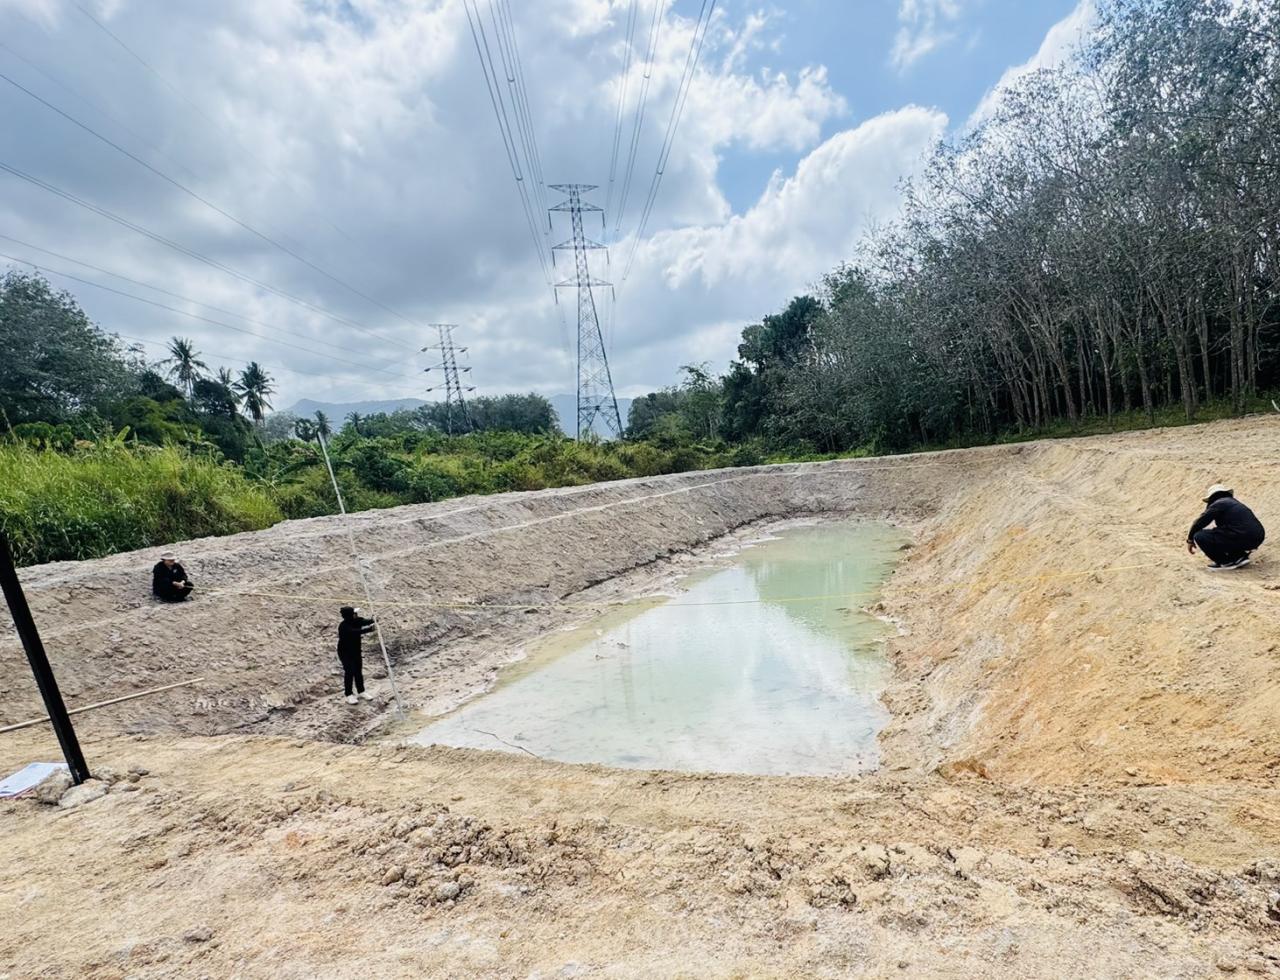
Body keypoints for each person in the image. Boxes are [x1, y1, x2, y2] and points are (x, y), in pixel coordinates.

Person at [1187, 484, 1265, 570]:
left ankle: (1226, 562)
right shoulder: (1234, 503)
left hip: (1241, 536)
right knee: (1223, 533)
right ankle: (1239, 557)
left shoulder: (1219, 503)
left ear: (1211, 498)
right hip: (1258, 537)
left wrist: (1190, 539)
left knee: (1200, 535)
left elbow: (1199, 522)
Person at [337, 606, 376, 704]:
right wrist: (369, 629)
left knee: (358, 671)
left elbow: (365, 622)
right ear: (351, 615)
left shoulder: (357, 620)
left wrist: (373, 620)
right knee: (349, 672)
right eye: (355, 613)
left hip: (356, 651)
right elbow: (354, 632)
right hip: (345, 652)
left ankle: (361, 691)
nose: (357, 615)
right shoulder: (343, 626)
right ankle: (349, 694)